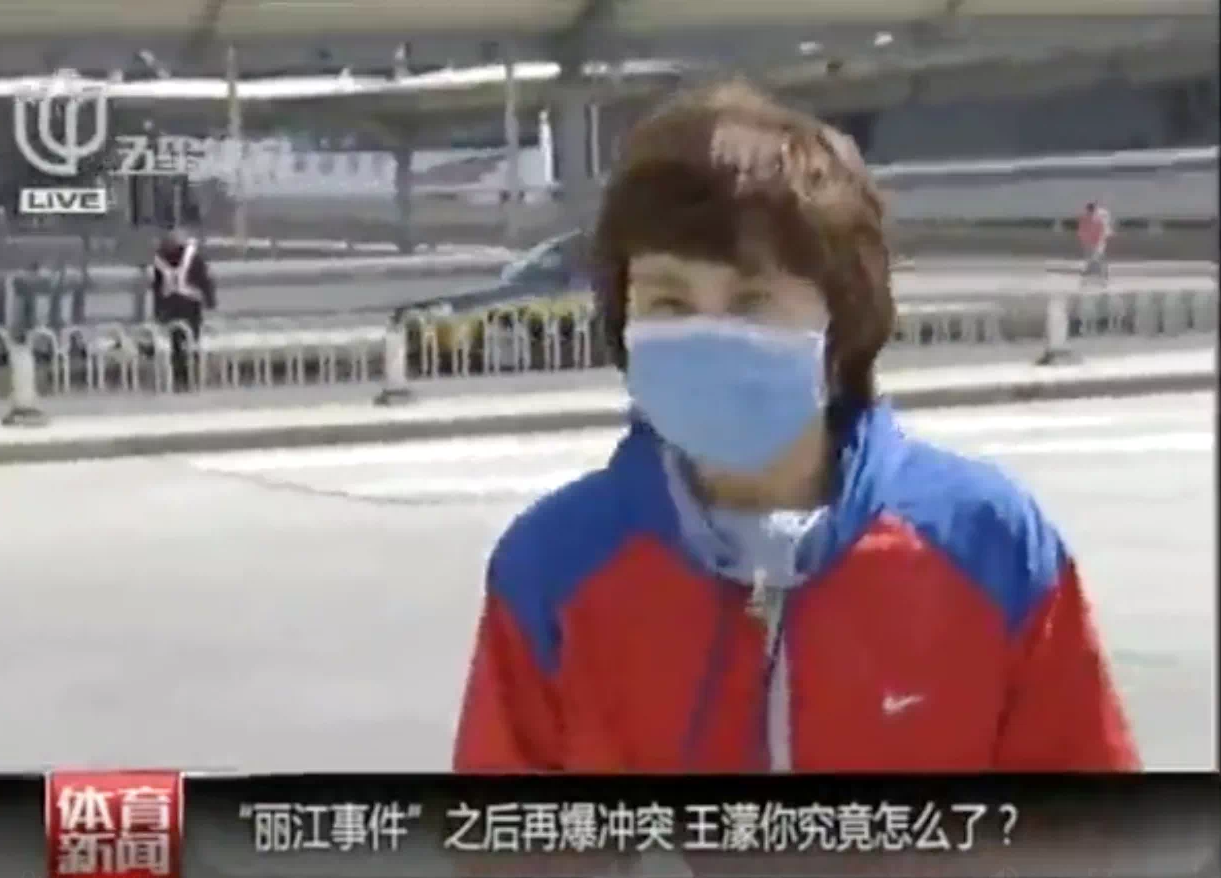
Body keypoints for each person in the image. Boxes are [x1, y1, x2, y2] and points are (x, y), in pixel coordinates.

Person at [453, 81, 1138, 773]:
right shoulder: (550, 569)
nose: (709, 333)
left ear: (841, 325)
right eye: (669, 301)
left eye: (752, 300)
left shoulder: (990, 545)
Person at [151, 228, 216, 391]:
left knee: (189, 342)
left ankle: (191, 375)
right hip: (173, 307)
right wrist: (158, 310)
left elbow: (205, 281)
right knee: (177, 344)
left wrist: (209, 302)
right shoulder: (161, 261)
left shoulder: (192, 258)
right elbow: (157, 287)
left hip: (189, 306)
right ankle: (182, 377)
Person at [1078, 200, 1113, 282]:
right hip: (1092, 242)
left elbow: (1101, 230)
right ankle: (1095, 273)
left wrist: (1099, 240)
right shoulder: (1087, 218)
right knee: (1092, 257)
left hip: (1096, 242)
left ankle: (1103, 274)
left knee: (1098, 257)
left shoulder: (1097, 218)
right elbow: (1082, 230)